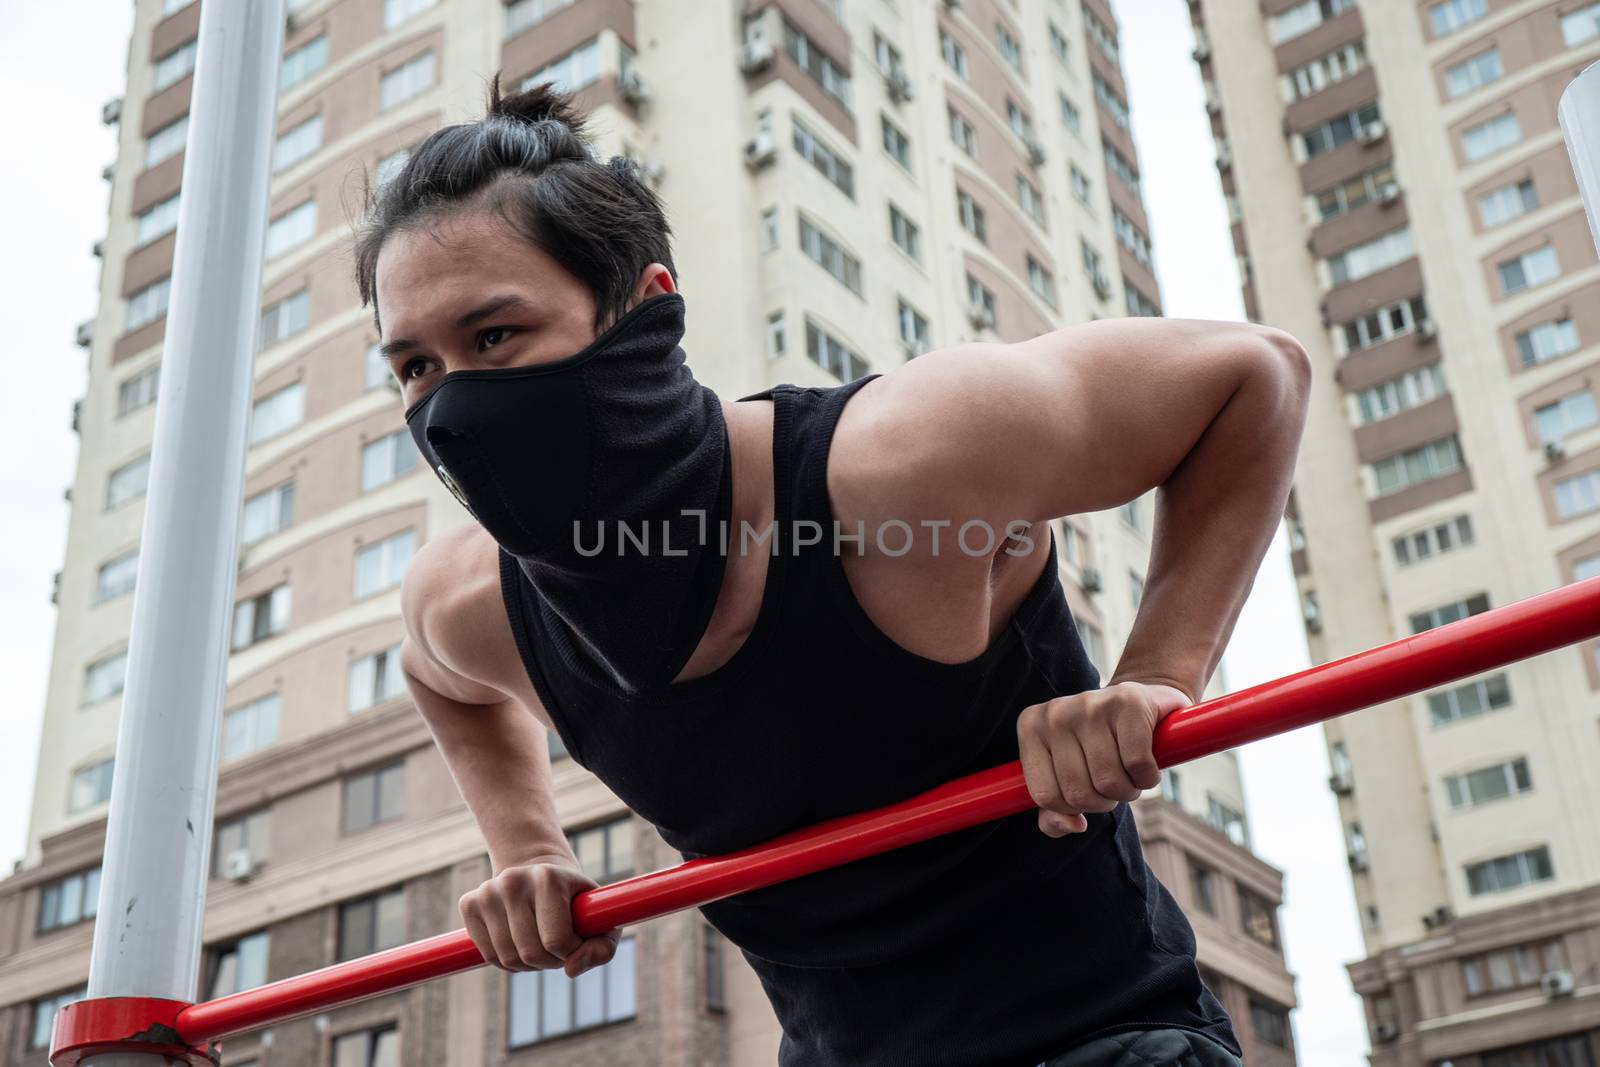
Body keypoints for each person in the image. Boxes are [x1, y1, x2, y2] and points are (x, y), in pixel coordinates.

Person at [355, 78, 1311, 1067]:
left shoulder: (909, 460)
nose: (454, 408)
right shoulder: (469, 603)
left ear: (644, 306)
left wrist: (1155, 673)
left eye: (495, 336)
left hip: (1102, 1040)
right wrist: (525, 847)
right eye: (416, 367)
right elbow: (437, 674)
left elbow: (1256, 373)